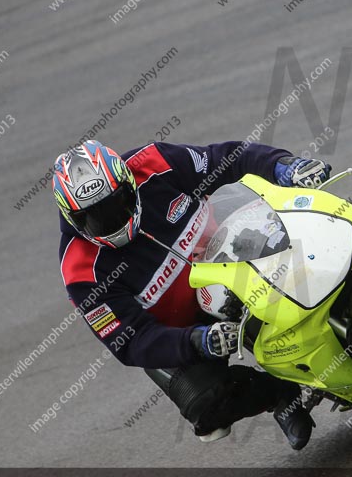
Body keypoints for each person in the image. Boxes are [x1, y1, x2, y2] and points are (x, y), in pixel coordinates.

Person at [52, 139, 331, 450]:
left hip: (233, 255)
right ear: (74, 219)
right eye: (95, 216)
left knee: (302, 244)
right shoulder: (80, 271)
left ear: (128, 182)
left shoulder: (154, 163)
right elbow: (130, 341)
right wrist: (196, 340)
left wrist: (283, 165)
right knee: (203, 406)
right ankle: (282, 393)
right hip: (181, 328)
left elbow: (228, 158)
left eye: (116, 204)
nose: (111, 220)